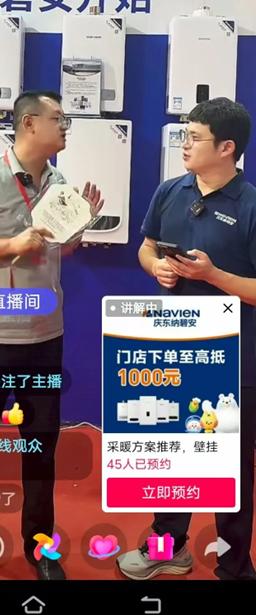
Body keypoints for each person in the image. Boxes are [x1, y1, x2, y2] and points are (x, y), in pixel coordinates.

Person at [0, 90, 103, 581]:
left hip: (44, 338)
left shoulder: (59, 183)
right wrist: (11, 242)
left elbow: (55, 252)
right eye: (59, 119)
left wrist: (76, 230)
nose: (66, 126)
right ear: (29, 123)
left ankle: (39, 548)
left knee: (41, 449)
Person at [118, 97, 256, 581]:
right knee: (173, 463)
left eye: (194, 138)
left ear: (227, 148)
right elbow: (146, 246)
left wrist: (214, 276)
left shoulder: (251, 204)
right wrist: (155, 265)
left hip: (234, 357)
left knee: (230, 472)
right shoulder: (170, 191)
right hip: (174, 348)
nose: (184, 144)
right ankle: (167, 547)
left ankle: (234, 567)